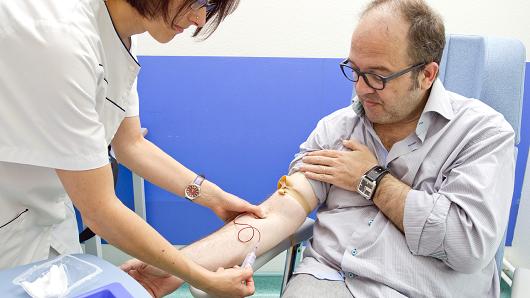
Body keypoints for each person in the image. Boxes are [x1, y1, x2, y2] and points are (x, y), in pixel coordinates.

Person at [121, 0, 516, 297]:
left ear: (427, 74)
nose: (360, 89)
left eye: (377, 77)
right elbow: (278, 212)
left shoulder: (481, 135)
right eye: (355, 70)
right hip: (325, 283)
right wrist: (170, 268)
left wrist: (371, 181)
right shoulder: (338, 129)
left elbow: (466, 246)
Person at [0, 0, 264, 297]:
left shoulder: (121, 31)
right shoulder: (60, 38)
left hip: (45, 216)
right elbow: (100, 212)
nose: (201, 19)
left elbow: (130, 144)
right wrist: (201, 278)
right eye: (198, 1)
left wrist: (214, 197)